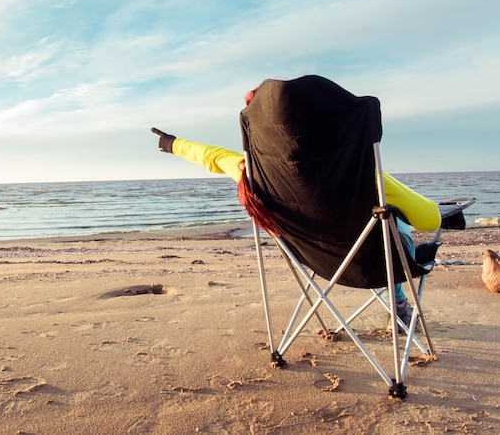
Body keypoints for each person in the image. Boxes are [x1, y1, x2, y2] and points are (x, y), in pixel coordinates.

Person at [151, 88, 441, 328]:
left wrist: (171, 143)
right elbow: (429, 219)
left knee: (382, 222)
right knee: (390, 218)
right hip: (373, 264)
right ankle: (398, 303)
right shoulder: (360, 173)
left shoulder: (250, 170)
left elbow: (208, 156)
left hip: (316, 261)